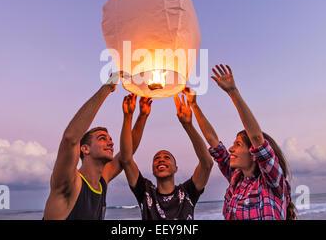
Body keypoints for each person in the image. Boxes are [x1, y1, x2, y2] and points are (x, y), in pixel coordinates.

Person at [182, 64, 296, 220]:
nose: (230, 149)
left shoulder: (272, 181)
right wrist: (194, 106)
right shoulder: (236, 178)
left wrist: (232, 92)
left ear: (254, 154)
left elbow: (256, 138)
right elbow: (213, 142)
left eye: (238, 144)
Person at [43, 73, 152, 220]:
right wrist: (107, 88)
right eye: (102, 139)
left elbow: (126, 154)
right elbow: (70, 138)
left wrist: (139, 116)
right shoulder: (70, 182)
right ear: (85, 149)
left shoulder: (102, 181)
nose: (111, 143)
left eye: (110, 139)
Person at [119, 93, 213, 220]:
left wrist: (188, 125)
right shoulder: (145, 191)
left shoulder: (187, 192)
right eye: (156, 158)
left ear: (176, 168)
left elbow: (207, 163)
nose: (161, 159)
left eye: (167, 157)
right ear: (153, 169)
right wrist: (128, 117)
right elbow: (126, 159)